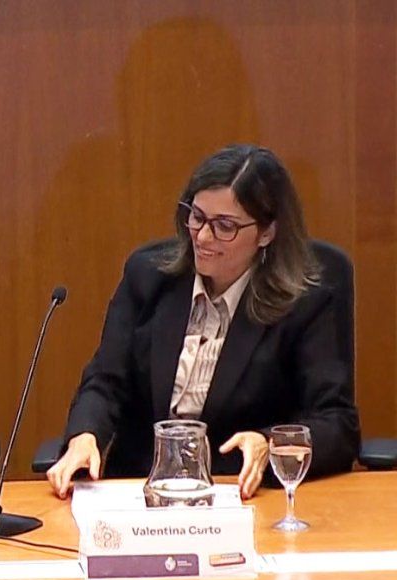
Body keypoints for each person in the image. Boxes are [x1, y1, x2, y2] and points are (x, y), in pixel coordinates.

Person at [47, 144, 359, 499]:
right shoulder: (148, 276)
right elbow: (105, 382)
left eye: (225, 226)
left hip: (240, 495)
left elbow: (337, 423)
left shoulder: (306, 302)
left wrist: (269, 443)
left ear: (267, 232)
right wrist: (85, 435)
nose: (203, 237)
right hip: (139, 492)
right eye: (197, 217)